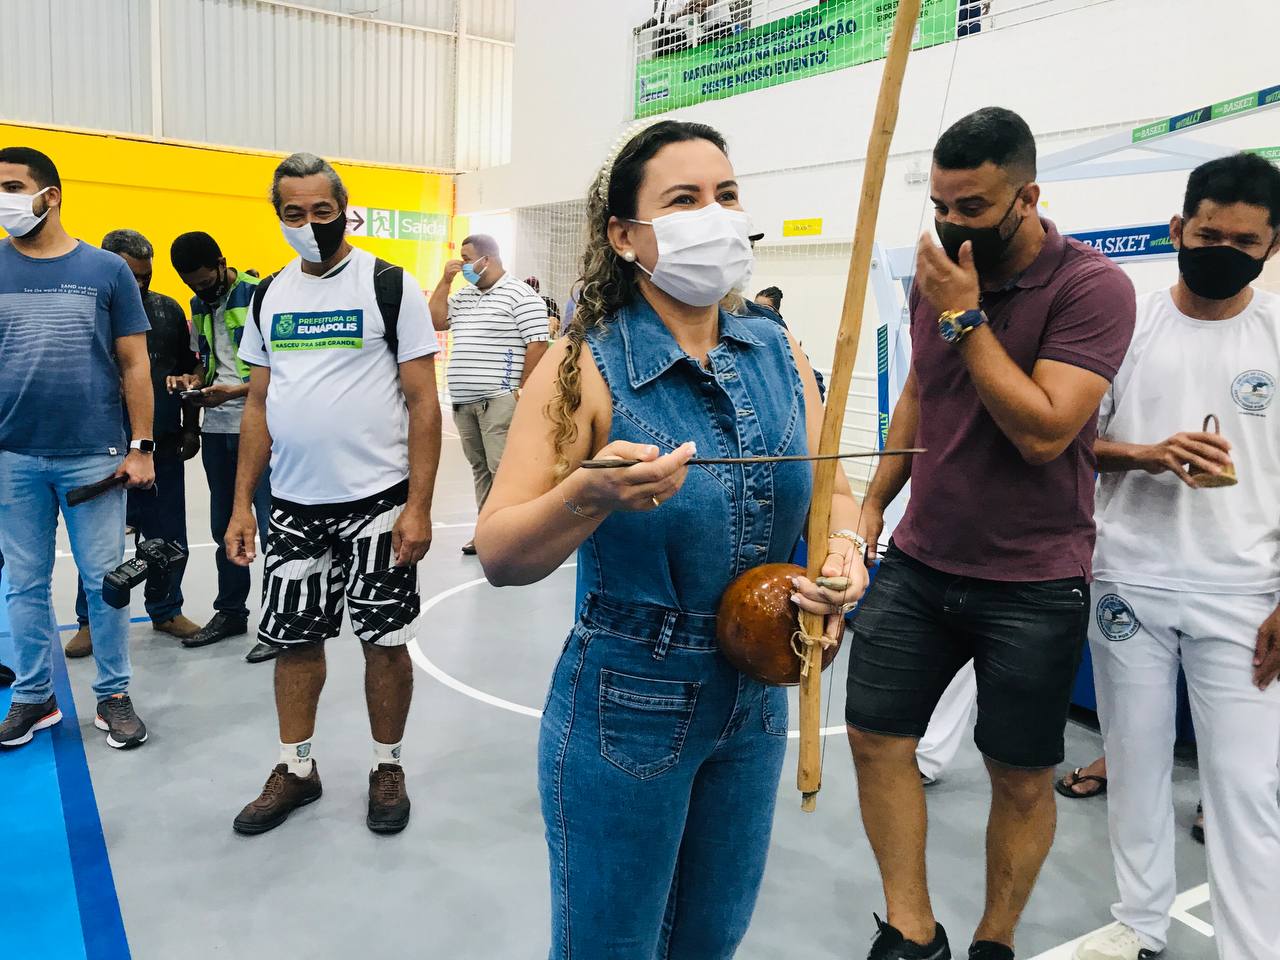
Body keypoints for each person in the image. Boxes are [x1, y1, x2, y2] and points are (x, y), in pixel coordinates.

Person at [474, 119, 869, 957]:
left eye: (726, 196)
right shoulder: (584, 364)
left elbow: (834, 494)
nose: (714, 215)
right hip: (629, 704)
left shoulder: (780, 350)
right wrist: (588, 496)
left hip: (760, 697)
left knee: (708, 944)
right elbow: (503, 551)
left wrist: (844, 555)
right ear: (623, 235)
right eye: (683, 200)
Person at [844, 107, 1136, 960]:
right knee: (875, 737)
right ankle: (911, 928)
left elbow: (1046, 430)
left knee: (1019, 773)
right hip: (922, 559)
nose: (950, 222)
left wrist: (967, 318)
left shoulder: (1091, 287)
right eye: (940, 202)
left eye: (972, 206)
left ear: (1028, 195)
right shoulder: (935, 274)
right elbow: (919, 396)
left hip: (1035, 578)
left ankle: (995, 939)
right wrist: (873, 501)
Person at [1073, 152, 1280, 960]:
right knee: (1133, 761)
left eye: (1243, 238)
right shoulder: (1128, 330)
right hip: (1130, 578)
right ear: (1176, 229)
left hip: (1247, 594)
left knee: (1245, 789)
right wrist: (1149, 454)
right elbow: (1074, 445)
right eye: (1206, 232)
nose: (1221, 247)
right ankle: (1141, 920)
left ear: (1271, 246)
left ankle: (1254, 947)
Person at [226, 152, 442, 836]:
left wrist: (419, 506)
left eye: (322, 211)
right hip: (292, 505)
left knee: (384, 641)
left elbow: (423, 402)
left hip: (379, 503)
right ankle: (296, 769)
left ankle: (387, 766)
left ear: (343, 209)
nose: (310, 224)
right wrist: (241, 504)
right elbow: (258, 405)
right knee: (294, 642)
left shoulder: (387, 285)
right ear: (279, 217)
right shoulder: (269, 295)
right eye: (295, 214)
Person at [0, 146, 155, 751]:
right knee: (23, 582)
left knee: (104, 582)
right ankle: (34, 699)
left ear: (51, 195)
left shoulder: (105, 271)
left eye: (13, 186)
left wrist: (142, 445)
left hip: (95, 456)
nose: (4, 200)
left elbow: (135, 362)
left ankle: (113, 695)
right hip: (13, 456)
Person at [64, 229, 202, 657]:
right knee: (99, 544)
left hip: (160, 445)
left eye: (145, 276)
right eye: (131, 276)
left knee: (167, 536)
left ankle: (165, 609)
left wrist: (191, 426)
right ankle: (90, 622)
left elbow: (188, 373)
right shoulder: (81, 312)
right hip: (99, 449)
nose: (138, 286)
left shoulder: (166, 311)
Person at [168, 231, 276, 664]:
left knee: (272, 527)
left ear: (221, 261)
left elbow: (282, 371)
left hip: (263, 426)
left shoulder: (259, 295)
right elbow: (204, 358)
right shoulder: (198, 304)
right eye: (190, 283)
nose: (199, 289)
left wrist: (233, 392)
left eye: (204, 279)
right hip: (217, 431)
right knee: (224, 526)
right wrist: (193, 380)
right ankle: (231, 612)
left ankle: (279, 621)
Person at [429, 234, 548, 555]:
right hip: (464, 402)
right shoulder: (464, 296)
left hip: (499, 400)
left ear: (487, 260)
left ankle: (519, 536)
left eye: (466, 259)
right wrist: (445, 281)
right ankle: (487, 532)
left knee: (504, 471)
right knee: (480, 470)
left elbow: (538, 343)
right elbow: (435, 321)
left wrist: (520, 389)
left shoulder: (520, 295)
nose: (461, 264)